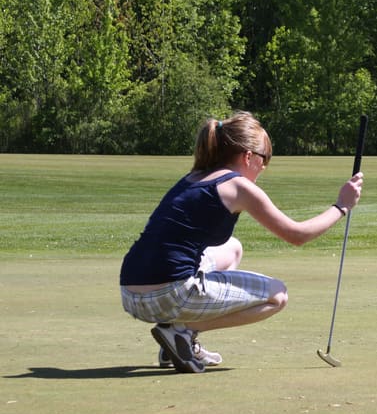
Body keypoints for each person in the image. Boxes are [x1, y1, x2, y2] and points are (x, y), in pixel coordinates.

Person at [119, 111, 364, 373]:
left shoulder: (195, 176)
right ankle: (183, 332)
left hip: (131, 294)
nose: (264, 167)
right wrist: (341, 206)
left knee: (233, 249)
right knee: (277, 296)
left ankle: (179, 341)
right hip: (167, 296)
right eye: (264, 159)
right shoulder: (238, 186)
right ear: (248, 156)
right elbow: (297, 235)